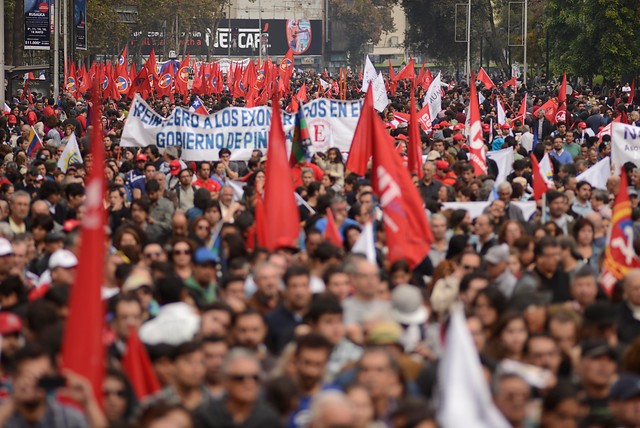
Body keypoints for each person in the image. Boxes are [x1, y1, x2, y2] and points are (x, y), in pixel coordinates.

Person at [194, 348, 283, 427]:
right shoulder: (207, 417)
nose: (249, 383)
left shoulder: (269, 420)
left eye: (255, 378)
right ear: (225, 381)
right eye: (240, 378)